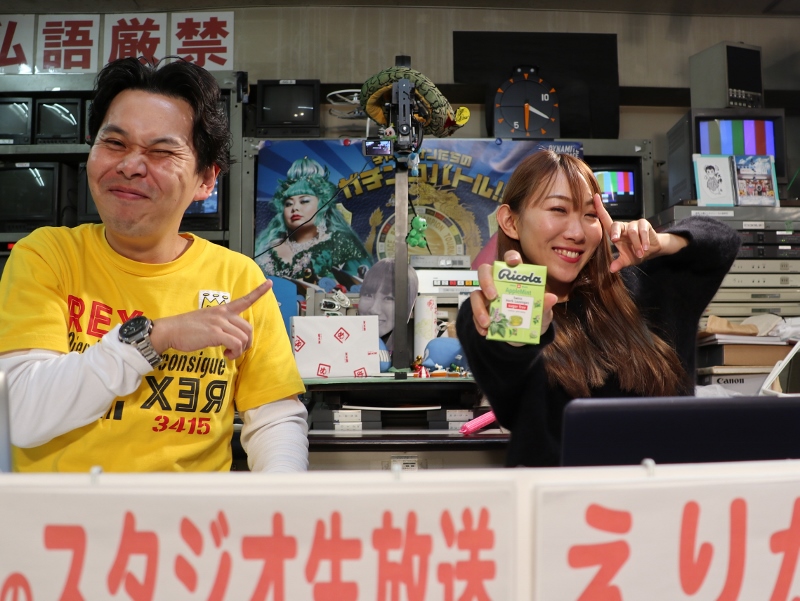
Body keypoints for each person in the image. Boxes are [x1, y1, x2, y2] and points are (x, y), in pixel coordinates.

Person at [0, 57, 308, 473]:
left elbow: (274, 419)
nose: (129, 166)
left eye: (161, 152)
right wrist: (157, 336)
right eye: (114, 143)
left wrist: (280, 498)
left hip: (188, 514)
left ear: (206, 180)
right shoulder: (46, 256)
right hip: (62, 513)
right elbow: (21, 414)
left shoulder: (237, 277)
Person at [456, 150, 740, 467]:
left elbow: (723, 241)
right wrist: (519, 328)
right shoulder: (491, 311)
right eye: (558, 209)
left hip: (667, 492)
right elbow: (509, 386)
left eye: (590, 215)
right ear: (511, 221)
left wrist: (662, 243)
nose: (577, 233)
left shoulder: (643, 286)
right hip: (567, 496)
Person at [254, 156, 373, 289]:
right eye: (288, 204)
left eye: (304, 201)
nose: (295, 208)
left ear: (323, 205)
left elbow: (362, 288)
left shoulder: (340, 243)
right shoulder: (267, 246)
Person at [356, 258, 419, 351]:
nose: (374, 310)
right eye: (368, 295)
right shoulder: (343, 342)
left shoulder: (420, 346)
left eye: (388, 298)